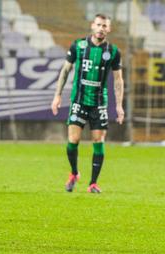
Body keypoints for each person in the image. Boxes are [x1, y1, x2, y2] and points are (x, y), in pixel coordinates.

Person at [51, 14, 124, 193]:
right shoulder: (79, 45)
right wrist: (57, 95)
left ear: (109, 29)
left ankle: (92, 183)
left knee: (98, 140)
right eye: (98, 25)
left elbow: (118, 80)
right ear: (92, 26)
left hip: (99, 103)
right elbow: (65, 70)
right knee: (73, 139)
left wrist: (119, 105)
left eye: (104, 26)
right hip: (79, 100)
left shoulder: (113, 51)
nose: (101, 28)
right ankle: (74, 173)